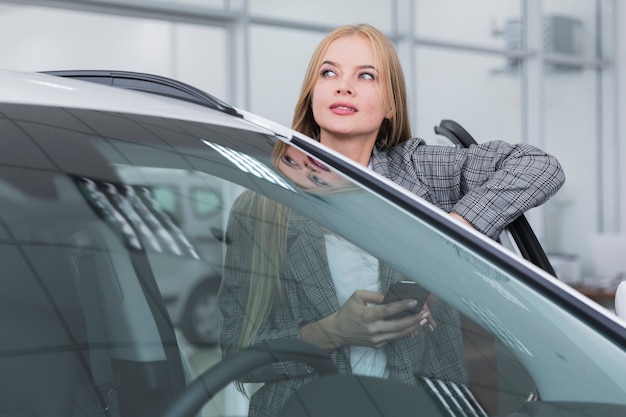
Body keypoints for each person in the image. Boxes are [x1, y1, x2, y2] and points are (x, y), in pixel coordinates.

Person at [218, 23, 565, 417]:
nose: (343, 86)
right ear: (311, 95)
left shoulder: (420, 172)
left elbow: (538, 166)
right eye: (328, 73)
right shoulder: (262, 204)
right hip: (307, 409)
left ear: (391, 105)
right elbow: (238, 352)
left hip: (424, 406)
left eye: (365, 76)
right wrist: (333, 331)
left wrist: (446, 241)